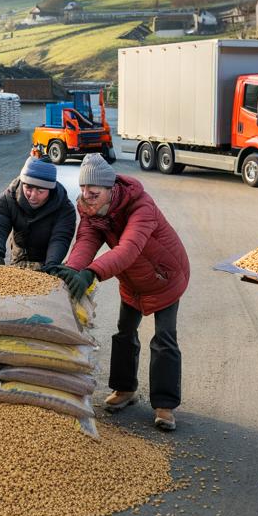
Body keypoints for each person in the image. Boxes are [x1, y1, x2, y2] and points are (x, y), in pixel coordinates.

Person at [58, 153, 189, 431]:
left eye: (93, 190)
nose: (86, 194)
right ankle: (125, 390)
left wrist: (92, 273)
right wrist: (72, 269)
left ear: (110, 189)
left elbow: (128, 248)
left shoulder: (141, 207)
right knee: (124, 333)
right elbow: (86, 241)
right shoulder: (92, 210)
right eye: (82, 188)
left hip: (165, 277)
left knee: (164, 338)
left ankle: (164, 406)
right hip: (132, 280)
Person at [0, 156, 76, 270]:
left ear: (50, 190)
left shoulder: (64, 207)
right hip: (19, 257)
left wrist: (52, 263)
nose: (33, 196)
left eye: (40, 191)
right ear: (22, 183)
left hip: (47, 260)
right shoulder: (8, 198)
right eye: (28, 188)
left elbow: (60, 238)